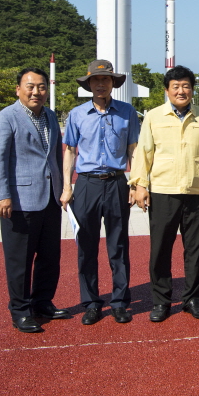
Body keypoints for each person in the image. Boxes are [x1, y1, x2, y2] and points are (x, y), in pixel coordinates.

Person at [129, 65, 199, 322]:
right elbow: (143, 152)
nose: (182, 90)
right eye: (176, 86)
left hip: (195, 192)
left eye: (186, 86)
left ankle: (192, 299)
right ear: (167, 90)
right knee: (160, 249)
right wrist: (140, 185)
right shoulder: (154, 117)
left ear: (192, 89)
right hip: (163, 191)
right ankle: (161, 300)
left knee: (194, 249)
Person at [0, 68, 69, 333]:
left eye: (42, 87)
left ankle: (42, 302)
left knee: (49, 256)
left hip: (50, 199)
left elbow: (55, 156)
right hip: (19, 201)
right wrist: (1, 195)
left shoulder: (50, 116)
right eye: (31, 86)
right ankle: (20, 310)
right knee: (19, 259)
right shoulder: (6, 118)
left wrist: (62, 187)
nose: (37, 92)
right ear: (18, 89)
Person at [61, 60, 141, 326]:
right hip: (86, 185)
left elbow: (133, 149)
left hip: (117, 182)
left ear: (113, 84)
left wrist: (136, 182)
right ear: (89, 84)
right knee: (86, 246)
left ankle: (119, 302)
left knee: (118, 245)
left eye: (106, 80)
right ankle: (92, 302)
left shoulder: (127, 112)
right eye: (96, 80)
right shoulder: (77, 114)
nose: (101, 84)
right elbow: (70, 151)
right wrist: (66, 187)